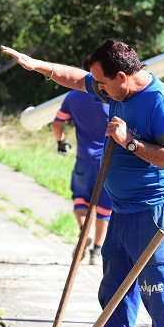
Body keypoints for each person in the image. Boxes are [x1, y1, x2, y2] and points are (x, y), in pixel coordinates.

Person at [2, 39, 164, 327]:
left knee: (157, 290)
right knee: (114, 290)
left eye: (103, 84)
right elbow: (75, 79)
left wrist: (130, 143)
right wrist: (36, 65)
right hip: (122, 211)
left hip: (156, 214)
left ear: (122, 76)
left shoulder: (159, 102)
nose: (99, 90)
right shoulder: (115, 92)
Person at [52, 90, 112, 265]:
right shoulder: (112, 95)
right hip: (108, 162)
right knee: (104, 210)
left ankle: (83, 231)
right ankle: (96, 252)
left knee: (80, 199)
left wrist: (61, 141)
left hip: (83, 160)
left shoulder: (73, 97)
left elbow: (57, 124)